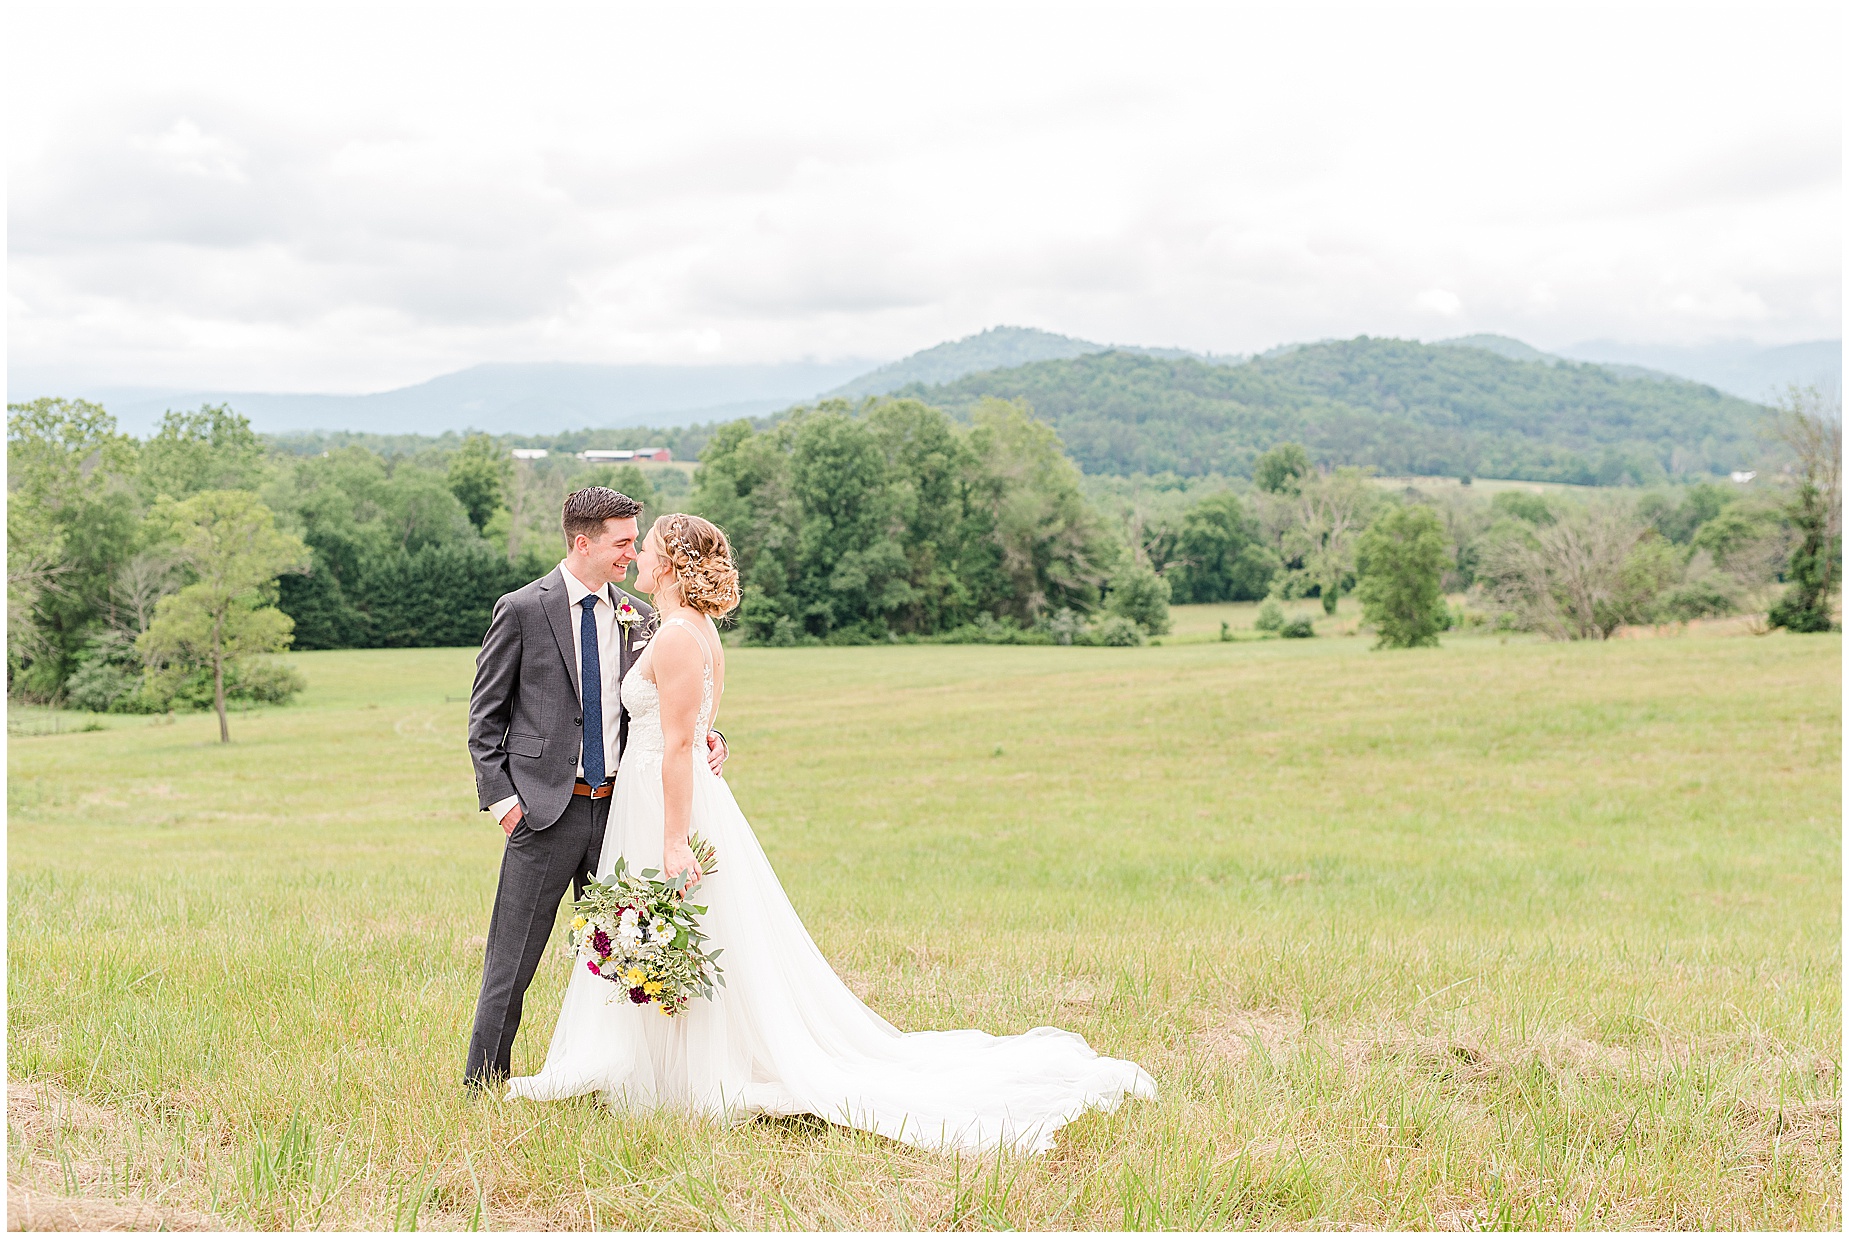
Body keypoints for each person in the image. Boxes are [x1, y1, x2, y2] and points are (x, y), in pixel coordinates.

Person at [505, 513, 1155, 1154]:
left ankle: (691, 1071)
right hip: (665, 793)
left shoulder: (675, 636)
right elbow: (701, 726)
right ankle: (659, 1061)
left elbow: (680, 744)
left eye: (645, 549)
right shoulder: (694, 629)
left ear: (670, 565)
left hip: (665, 798)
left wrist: (674, 839)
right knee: (695, 928)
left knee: (681, 923)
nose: (637, 559)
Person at [463, 487, 725, 1089]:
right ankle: (483, 1080)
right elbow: (485, 720)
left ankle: (627, 1079)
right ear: (583, 542)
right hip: (545, 813)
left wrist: (711, 734)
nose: (632, 556)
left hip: (621, 813)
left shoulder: (642, 615)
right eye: (621, 542)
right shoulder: (523, 609)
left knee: (632, 953)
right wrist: (507, 806)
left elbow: (666, 704)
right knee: (512, 958)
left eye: (637, 543)